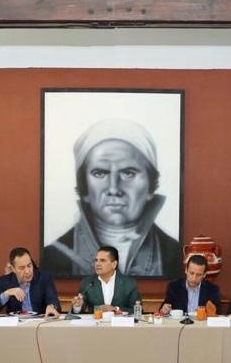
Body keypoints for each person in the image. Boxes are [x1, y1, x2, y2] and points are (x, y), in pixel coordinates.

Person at [41, 118, 180, 278]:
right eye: (100, 173)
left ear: (150, 185)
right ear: (84, 187)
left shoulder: (174, 256)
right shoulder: (54, 258)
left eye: (128, 173)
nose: (114, 189)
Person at [70, 246, 142, 314]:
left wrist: (115, 309)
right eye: (96, 260)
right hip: (95, 322)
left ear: (114, 264)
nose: (97, 264)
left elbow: (137, 310)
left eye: (102, 260)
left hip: (119, 322)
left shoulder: (129, 283)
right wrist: (78, 306)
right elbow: (79, 311)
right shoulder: (87, 282)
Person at [0, 247, 61, 317]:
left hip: (38, 321)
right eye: (22, 268)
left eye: (29, 265)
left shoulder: (44, 278)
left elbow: (53, 300)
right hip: (16, 322)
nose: (27, 271)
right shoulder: (5, 281)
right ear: (13, 269)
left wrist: (51, 306)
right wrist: (6, 294)